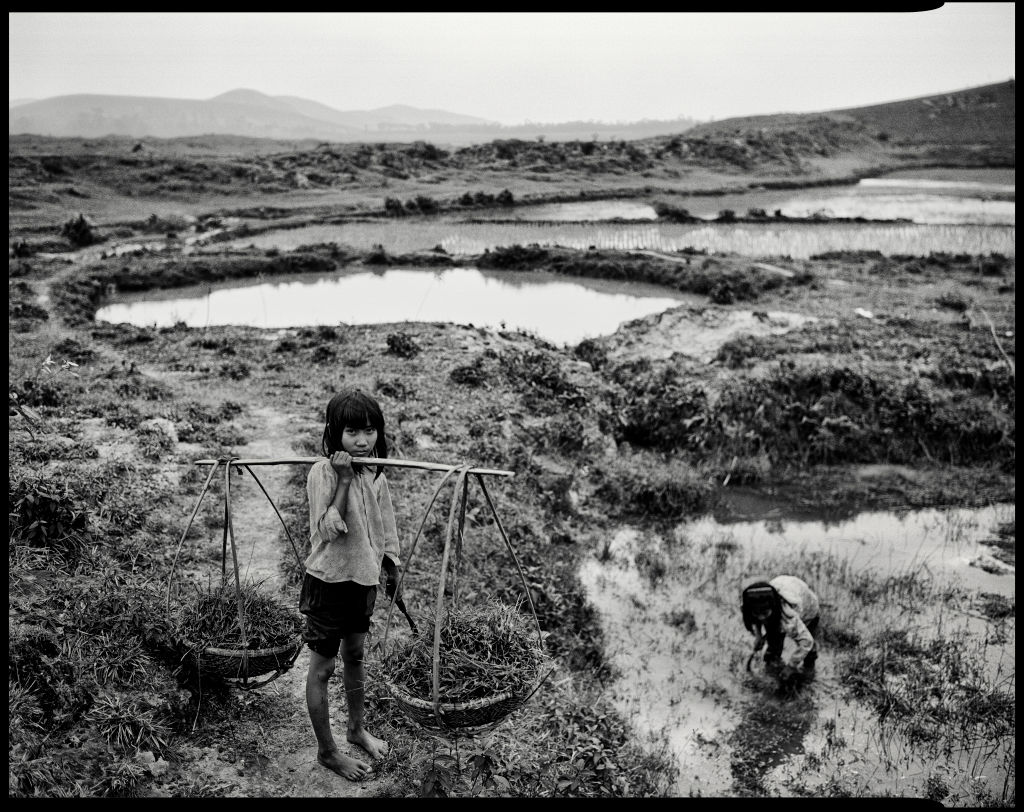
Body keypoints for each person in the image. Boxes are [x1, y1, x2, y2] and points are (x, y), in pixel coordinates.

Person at [301, 387, 404, 780]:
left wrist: (391, 566)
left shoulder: (375, 471)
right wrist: (343, 479)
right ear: (334, 434)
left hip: (363, 579)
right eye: (351, 433)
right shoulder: (322, 472)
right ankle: (328, 752)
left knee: (356, 655)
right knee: (323, 667)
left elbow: (385, 526)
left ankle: (356, 729)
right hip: (328, 580)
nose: (362, 441)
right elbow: (329, 529)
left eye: (369, 431)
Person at [741, 575, 820, 681]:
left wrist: (791, 667)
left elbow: (807, 641)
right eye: (757, 613)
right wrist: (759, 636)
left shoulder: (788, 616)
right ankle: (773, 664)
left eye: (764, 613)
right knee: (773, 643)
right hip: (787, 586)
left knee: (808, 649)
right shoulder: (753, 605)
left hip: (808, 608)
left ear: (773, 607)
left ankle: (809, 672)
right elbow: (757, 619)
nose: (761, 617)